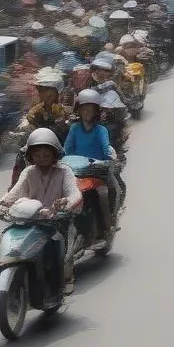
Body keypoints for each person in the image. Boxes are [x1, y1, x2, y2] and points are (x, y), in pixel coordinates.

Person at [0, 128, 82, 292]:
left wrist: (66, 203)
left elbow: (74, 193)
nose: (41, 159)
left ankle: (67, 277)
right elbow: (14, 193)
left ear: (54, 155)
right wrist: (0, 205)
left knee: (61, 248)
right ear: (30, 156)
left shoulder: (65, 171)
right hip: (30, 221)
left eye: (46, 155)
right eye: (37, 155)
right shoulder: (28, 172)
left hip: (57, 221)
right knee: (0, 246)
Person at [63, 88, 119, 241]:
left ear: (96, 111)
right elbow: (66, 150)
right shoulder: (74, 129)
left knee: (102, 194)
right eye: (84, 108)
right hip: (74, 172)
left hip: (96, 172)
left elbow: (106, 148)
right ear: (79, 110)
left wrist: (109, 159)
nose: (87, 112)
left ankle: (106, 229)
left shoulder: (101, 130)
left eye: (91, 108)